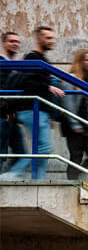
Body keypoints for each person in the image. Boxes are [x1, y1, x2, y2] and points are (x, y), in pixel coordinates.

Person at [3, 26, 64, 180]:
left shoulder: (42, 60)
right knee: (44, 147)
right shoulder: (32, 58)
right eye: (48, 38)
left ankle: (38, 180)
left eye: (52, 38)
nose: (52, 41)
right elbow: (28, 83)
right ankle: (13, 173)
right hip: (31, 109)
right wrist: (47, 86)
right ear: (38, 39)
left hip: (39, 110)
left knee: (43, 148)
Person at [61, 49, 88, 181]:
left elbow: (86, 107)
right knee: (76, 156)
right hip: (73, 124)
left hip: (85, 124)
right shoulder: (71, 79)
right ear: (80, 62)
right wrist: (74, 124)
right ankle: (71, 183)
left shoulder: (86, 80)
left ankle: (75, 178)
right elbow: (68, 103)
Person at [0, 31, 25, 170]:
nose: (15, 44)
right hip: (3, 115)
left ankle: (9, 176)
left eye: (17, 41)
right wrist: (6, 111)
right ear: (4, 43)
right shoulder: (1, 63)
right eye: (11, 41)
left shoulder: (14, 66)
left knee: (21, 154)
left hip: (11, 116)